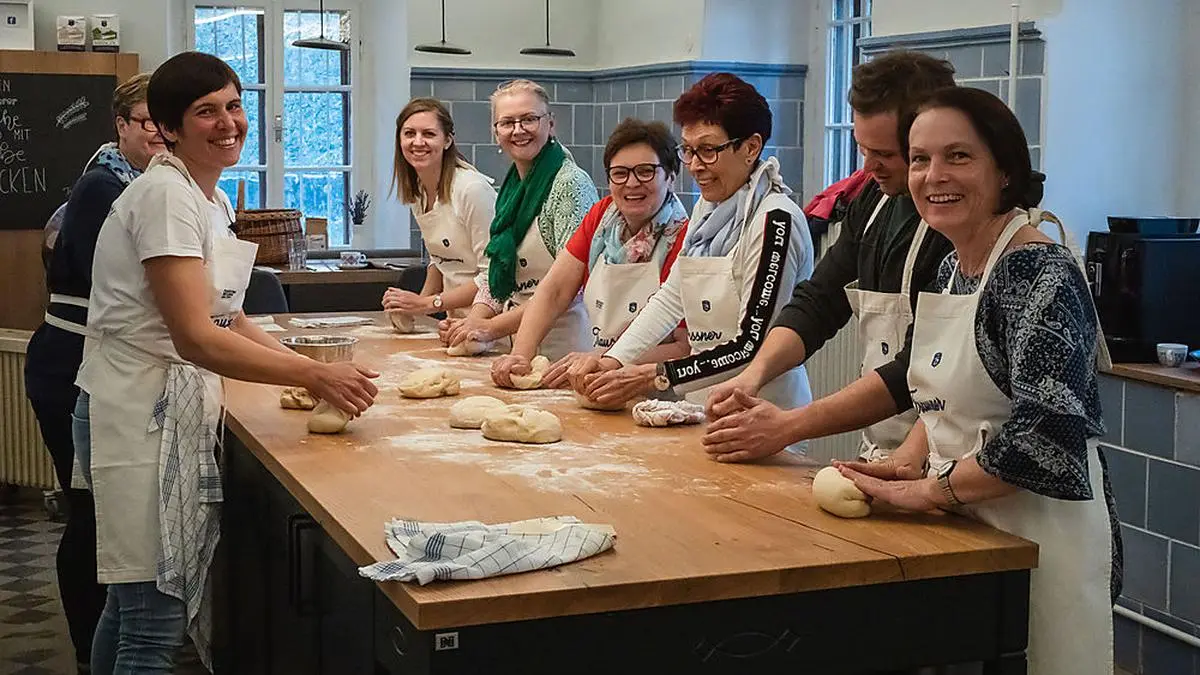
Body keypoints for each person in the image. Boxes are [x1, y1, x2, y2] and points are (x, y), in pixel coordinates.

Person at [73, 51, 378, 674]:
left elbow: (228, 317)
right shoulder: (164, 197)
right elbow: (195, 337)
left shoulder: (205, 200)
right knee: (153, 625)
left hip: (160, 409)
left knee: (129, 609)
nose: (228, 122)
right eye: (205, 111)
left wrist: (305, 357)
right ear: (169, 128)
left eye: (234, 105)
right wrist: (316, 376)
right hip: (137, 413)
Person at [835, 87, 1121, 675]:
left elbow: (1046, 441)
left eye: (958, 157)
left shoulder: (1039, 272)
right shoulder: (954, 262)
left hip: (1041, 543)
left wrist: (929, 491)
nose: (933, 175)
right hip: (975, 536)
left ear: (1006, 169)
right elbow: (940, 392)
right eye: (919, 159)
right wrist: (911, 458)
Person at [702, 50, 958, 463]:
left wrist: (789, 425)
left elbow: (916, 371)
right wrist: (752, 377)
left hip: (947, 452)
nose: (868, 165)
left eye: (886, 155)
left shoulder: (955, 226)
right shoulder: (874, 200)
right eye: (862, 149)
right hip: (885, 448)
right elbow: (818, 301)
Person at [569, 73, 814, 420]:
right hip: (700, 405)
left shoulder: (774, 221)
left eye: (709, 150)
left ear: (751, 147)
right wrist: (613, 360)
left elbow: (753, 345)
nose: (696, 166)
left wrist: (656, 375)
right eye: (688, 150)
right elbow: (672, 298)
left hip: (763, 413)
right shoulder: (707, 209)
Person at [22, 73, 163, 675]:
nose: (160, 131)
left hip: (93, 360)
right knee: (92, 520)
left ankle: (103, 642)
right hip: (72, 363)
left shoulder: (135, 181)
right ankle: (87, 651)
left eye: (168, 118)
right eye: (148, 120)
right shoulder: (108, 187)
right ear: (122, 124)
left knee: (105, 521)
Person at [491, 118, 690, 389]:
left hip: (657, 390)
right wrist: (521, 356)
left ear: (671, 177)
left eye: (646, 171)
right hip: (597, 379)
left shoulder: (683, 238)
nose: (631, 183)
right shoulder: (601, 219)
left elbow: (683, 347)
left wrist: (609, 359)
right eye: (620, 173)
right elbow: (554, 291)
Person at [442, 79, 598, 360]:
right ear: (495, 132)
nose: (518, 130)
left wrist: (490, 328)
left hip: (563, 347)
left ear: (551, 124)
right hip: (520, 345)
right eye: (507, 123)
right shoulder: (511, 188)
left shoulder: (570, 185)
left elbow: (569, 286)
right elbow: (495, 273)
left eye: (529, 119)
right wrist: (473, 323)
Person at [382, 97, 496, 318]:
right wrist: (412, 310)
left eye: (429, 134)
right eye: (409, 133)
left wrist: (427, 304)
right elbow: (439, 260)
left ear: (447, 141)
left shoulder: (471, 190)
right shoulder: (419, 191)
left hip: (490, 323)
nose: (418, 142)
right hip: (454, 321)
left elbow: (492, 279)